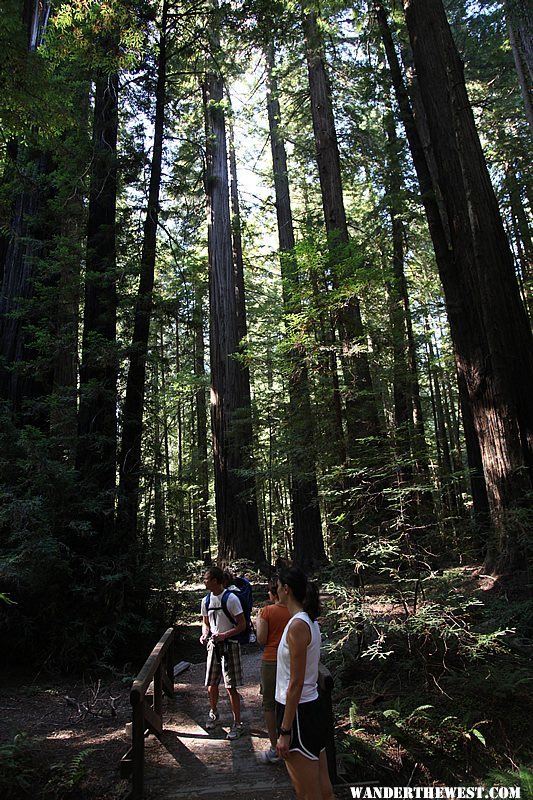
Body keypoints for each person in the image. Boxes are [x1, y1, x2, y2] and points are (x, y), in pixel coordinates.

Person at [275, 566, 335, 800]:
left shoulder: (298, 625)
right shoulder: (308, 621)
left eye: (278, 587)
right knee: (324, 790)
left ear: (286, 590)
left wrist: (284, 731)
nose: (276, 591)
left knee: (308, 794)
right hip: (309, 709)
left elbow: (296, 682)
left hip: (298, 713)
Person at [200, 566, 246, 740]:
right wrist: (205, 634)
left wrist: (225, 635)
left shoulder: (231, 599)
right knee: (211, 684)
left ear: (215, 581)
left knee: (230, 686)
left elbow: (242, 625)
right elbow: (205, 622)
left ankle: (237, 723)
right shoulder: (205, 601)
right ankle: (213, 712)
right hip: (214, 646)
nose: (204, 581)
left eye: (207, 579)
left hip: (230, 646)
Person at [255, 577, 290, 763]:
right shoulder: (294, 612)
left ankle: (274, 746)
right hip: (291, 661)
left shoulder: (266, 611)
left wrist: (257, 622)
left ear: (273, 593)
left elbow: (261, 639)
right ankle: (291, 741)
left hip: (270, 660)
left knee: (269, 704)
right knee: (289, 700)